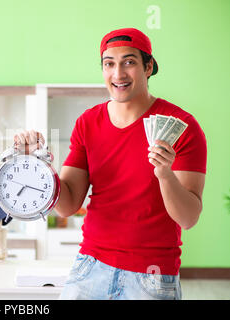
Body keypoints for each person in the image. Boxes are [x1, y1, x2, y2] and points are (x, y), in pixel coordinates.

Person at [14, 28, 207, 300]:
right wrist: (40, 165)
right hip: (90, 266)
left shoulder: (183, 127)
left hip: (151, 274)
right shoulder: (88, 123)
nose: (118, 74)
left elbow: (188, 218)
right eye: (109, 64)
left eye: (129, 62)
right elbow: (67, 205)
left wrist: (164, 174)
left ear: (148, 66)